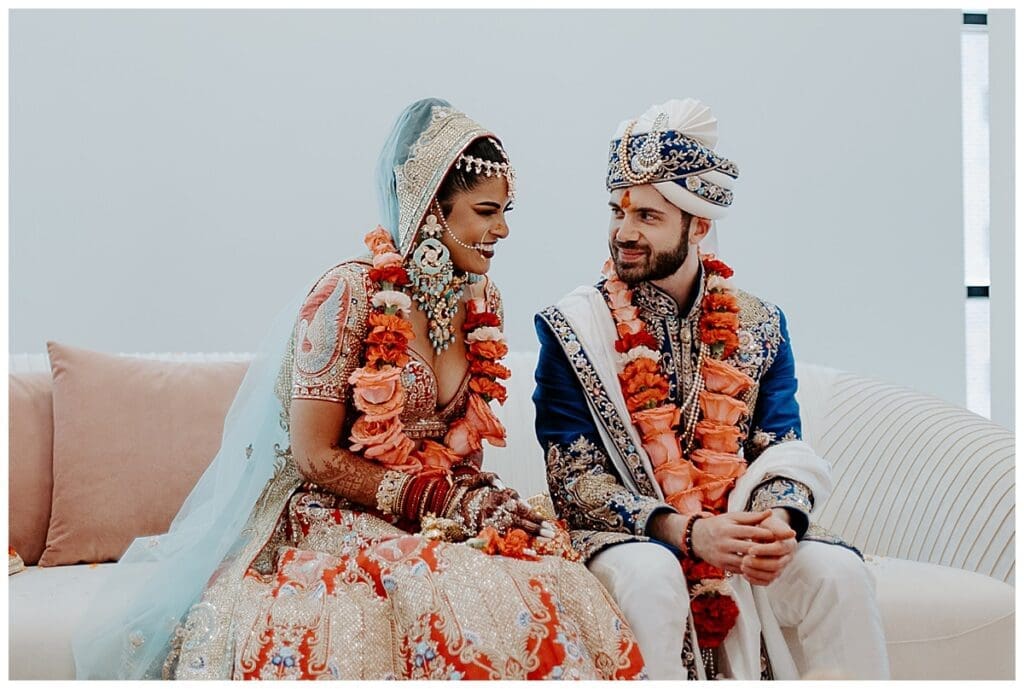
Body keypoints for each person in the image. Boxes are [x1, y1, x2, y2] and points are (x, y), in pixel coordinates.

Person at [73, 98, 646, 680]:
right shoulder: (348, 294)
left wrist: (478, 502)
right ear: (431, 207)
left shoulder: (481, 300)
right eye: (486, 211)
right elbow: (313, 456)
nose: (503, 229)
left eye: (505, 211)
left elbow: (460, 449)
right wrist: (433, 500)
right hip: (337, 515)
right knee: (442, 587)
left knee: (544, 571)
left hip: (437, 513)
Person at [532, 98, 890, 680]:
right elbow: (573, 480)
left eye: (648, 217)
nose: (624, 232)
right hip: (628, 535)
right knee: (654, 576)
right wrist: (690, 532)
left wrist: (777, 524)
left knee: (839, 574)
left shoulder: (759, 324)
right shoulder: (573, 329)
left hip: (738, 526)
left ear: (698, 226)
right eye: (618, 211)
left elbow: (780, 445)